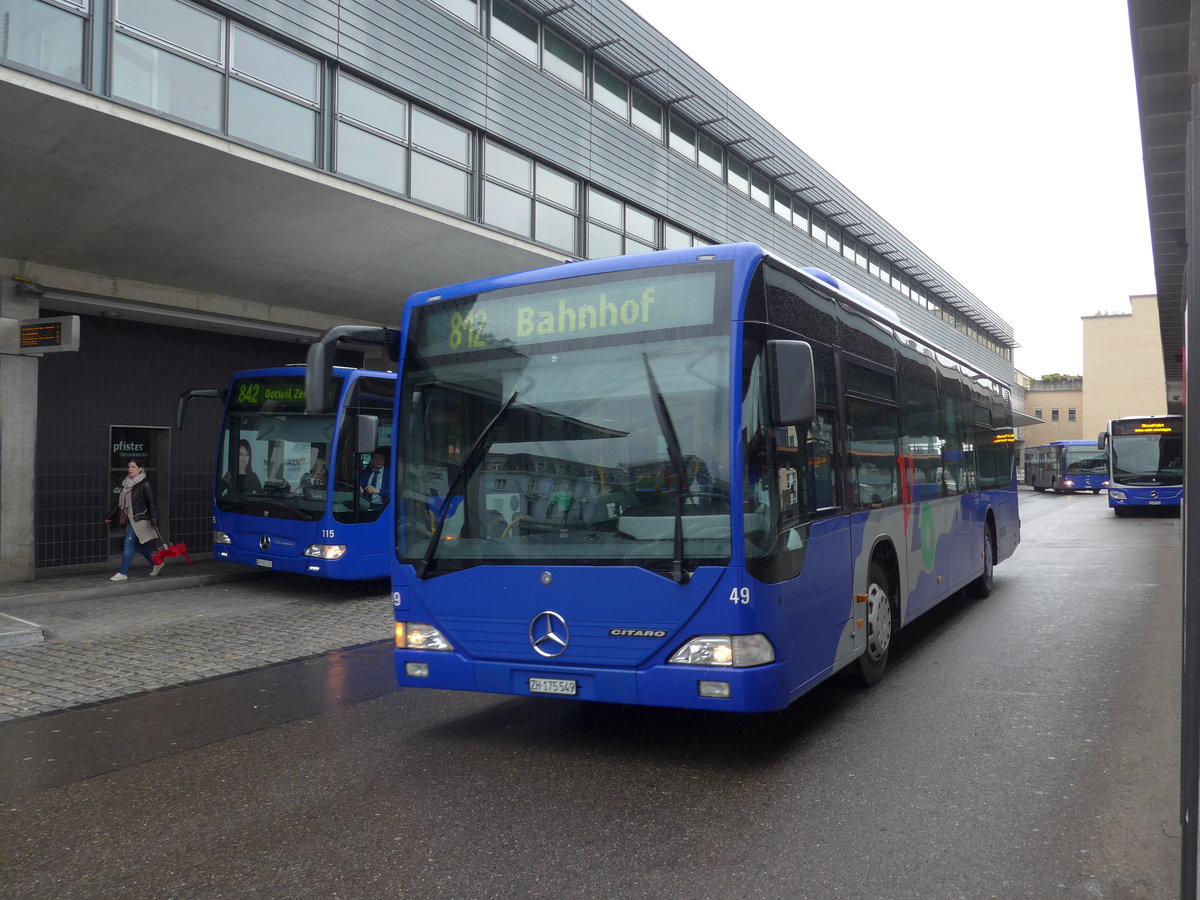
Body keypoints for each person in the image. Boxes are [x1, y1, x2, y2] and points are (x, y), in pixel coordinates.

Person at [104, 458, 164, 581]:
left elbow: (151, 503)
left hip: (139, 519)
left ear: (140, 469)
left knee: (129, 542)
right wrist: (110, 516)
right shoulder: (125, 483)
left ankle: (122, 573)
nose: (130, 469)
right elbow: (119, 503)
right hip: (128, 519)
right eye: (129, 467)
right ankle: (157, 563)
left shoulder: (144, 484)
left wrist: (154, 518)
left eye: (133, 467)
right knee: (141, 546)